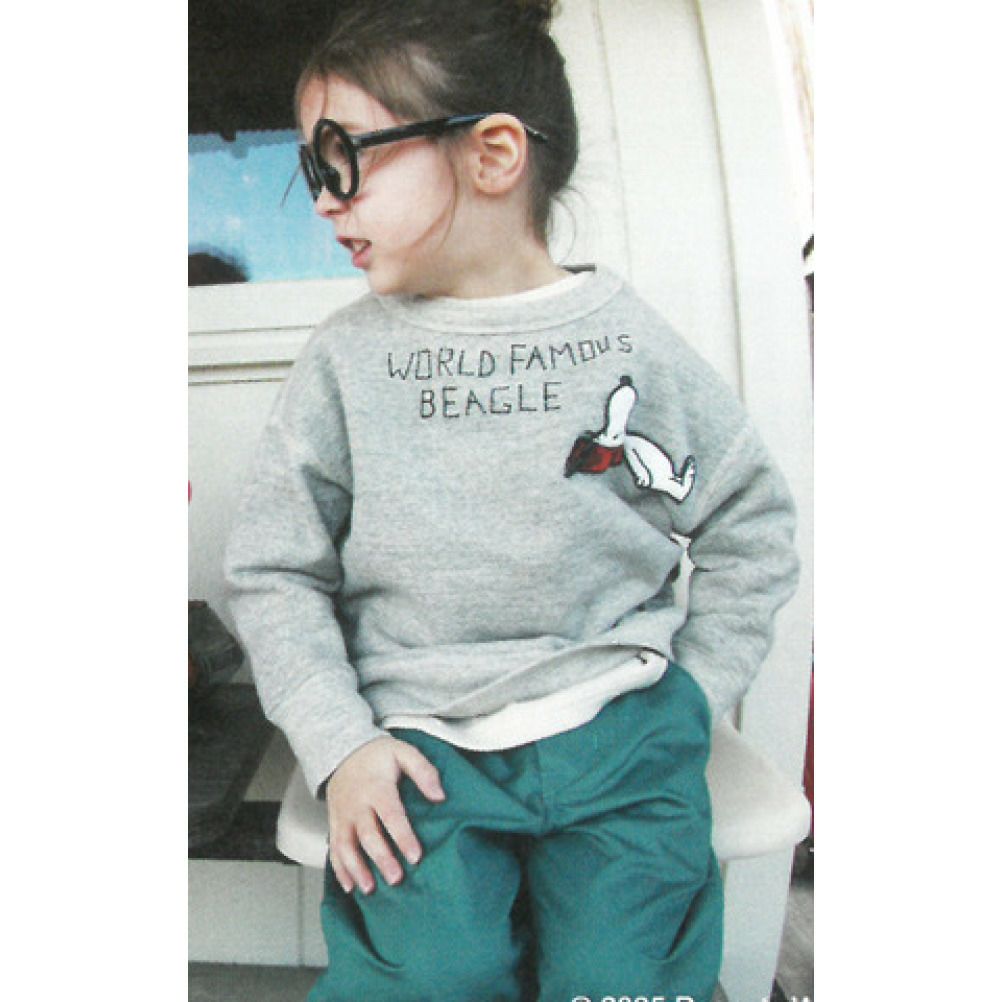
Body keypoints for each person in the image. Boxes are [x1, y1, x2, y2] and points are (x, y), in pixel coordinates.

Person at [224, 2, 799, 1000]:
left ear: (492, 154)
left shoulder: (630, 342)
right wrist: (340, 743)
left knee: (624, 981)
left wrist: (694, 694)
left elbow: (750, 525)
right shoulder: (345, 362)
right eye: (311, 170)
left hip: (624, 735)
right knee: (429, 979)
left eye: (344, 160)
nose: (322, 201)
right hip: (419, 749)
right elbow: (276, 571)